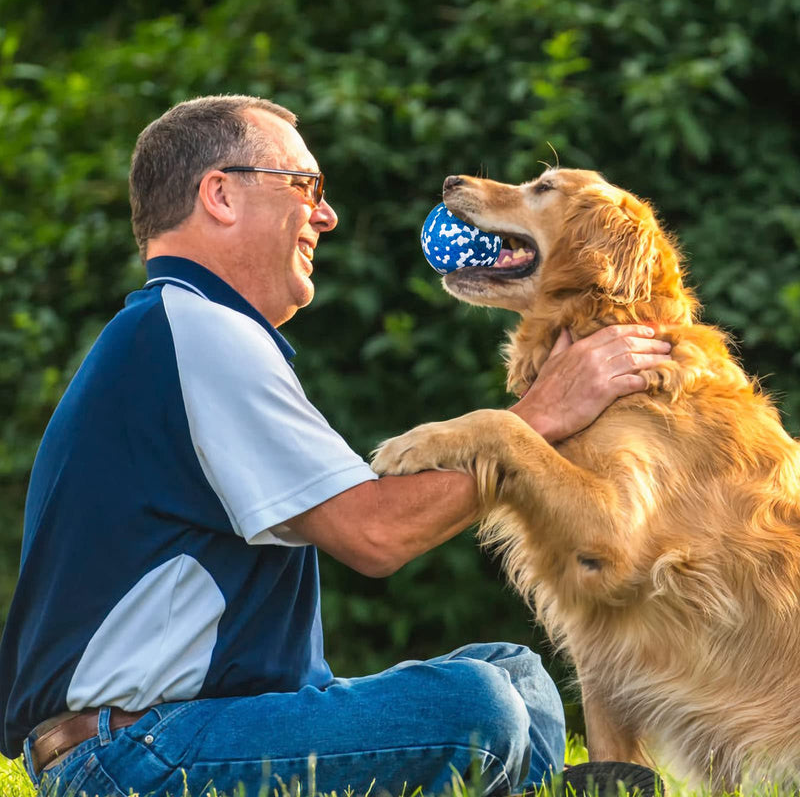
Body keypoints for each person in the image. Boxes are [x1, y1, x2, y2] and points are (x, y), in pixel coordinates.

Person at [0, 95, 672, 797]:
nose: (327, 215)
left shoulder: (177, 330)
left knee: (515, 671)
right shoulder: (196, 330)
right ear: (220, 195)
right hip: (134, 757)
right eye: (306, 188)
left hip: (173, 734)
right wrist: (540, 416)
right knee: (479, 708)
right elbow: (377, 532)